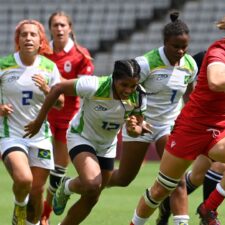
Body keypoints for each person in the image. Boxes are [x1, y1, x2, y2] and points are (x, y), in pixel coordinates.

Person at [129, 6, 225, 225]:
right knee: (162, 189)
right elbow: (216, 81)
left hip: (222, 130)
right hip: (191, 128)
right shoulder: (218, 51)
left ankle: (208, 208)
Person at [24, 59, 149, 225]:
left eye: (132, 86)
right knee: (92, 185)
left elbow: (138, 128)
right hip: (81, 137)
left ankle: (67, 186)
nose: (128, 90)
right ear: (114, 79)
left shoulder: (139, 95)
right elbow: (57, 88)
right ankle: (67, 187)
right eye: (124, 85)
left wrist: (135, 130)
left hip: (106, 146)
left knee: (92, 197)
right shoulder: (94, 85)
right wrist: (39, 121)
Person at [106, 11, 197, 225]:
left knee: (177, 180)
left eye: (185, 47)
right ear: (165, 42)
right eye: (176, 46)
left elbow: (191, 93)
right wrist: (134, 118)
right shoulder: (146, 63)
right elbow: (122, 90)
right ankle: (86, 182)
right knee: (124, 178)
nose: (181, 51)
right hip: (141, 124)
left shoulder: (190, 64)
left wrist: (189, 118)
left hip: (169, 126)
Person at [0, 19, 63, 225]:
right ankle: (19, 207)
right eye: (24, 34)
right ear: (17, 39)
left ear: (40, 41)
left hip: (41, 137)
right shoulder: (4, 65)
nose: (28, 38)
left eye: (33, 35)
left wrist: (47, 90)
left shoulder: (49, 67)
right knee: (24, 179)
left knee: (37, 193)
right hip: (11, 135)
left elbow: (60, 103)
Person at [40, 11, 94, 225]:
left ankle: (46, 211)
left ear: (70, 28)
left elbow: (84, 89)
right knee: (37, 169)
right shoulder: (41, 52)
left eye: (63, 25)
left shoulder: (81, 55)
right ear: (50, 28)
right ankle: (34, 210)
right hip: (43, 115)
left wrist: (55, 80)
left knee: (58, 170)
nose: (59, 29)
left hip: (67, 119)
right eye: (55, 25)